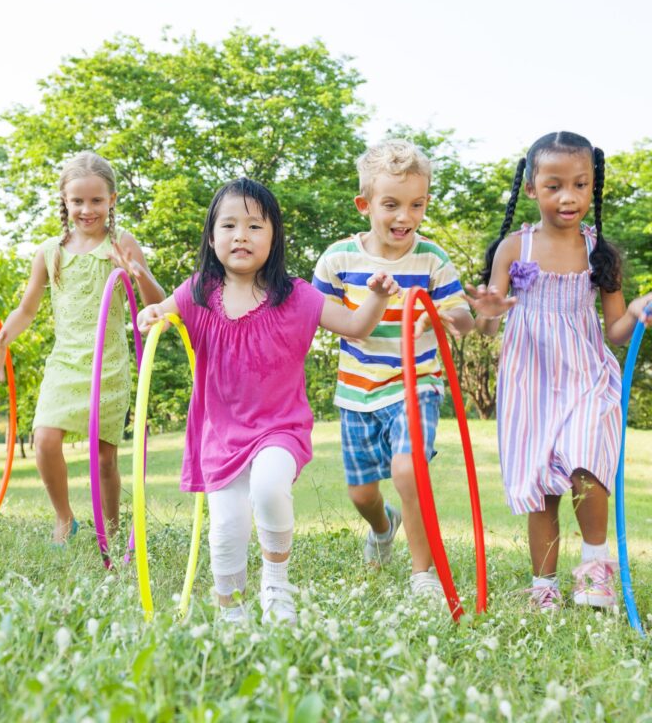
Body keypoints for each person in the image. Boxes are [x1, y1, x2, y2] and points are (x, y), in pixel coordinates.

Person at [136, 177, 398, 625]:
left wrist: (375, 296)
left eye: (255, 226)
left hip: (280, 427)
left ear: (274, 237)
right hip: (220, 435)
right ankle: (231, 613)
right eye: (229, 225)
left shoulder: (294, 296)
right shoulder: (197, 292)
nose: (241, 235)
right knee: (226, 527)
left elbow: (356, 327)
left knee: (267, 486)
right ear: (212, 235)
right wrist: (152, 313)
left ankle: (277, 585)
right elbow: (161, 312)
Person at [466, 131, 652, 610]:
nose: (568, 197)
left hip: (586, 374)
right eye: (554, 186)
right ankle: (544, 586)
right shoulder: (514, 247)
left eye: (580, 184)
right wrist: (489, 309)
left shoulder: (599, 253)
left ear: (593, 188)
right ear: (531, 188)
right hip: (530, 381)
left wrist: (636, 310)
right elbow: (486, 329)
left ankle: (595, 572)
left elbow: (615, 331)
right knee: (540, 487)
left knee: (587, 462)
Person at [313, 140, 474, 601]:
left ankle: (423, 576)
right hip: (357, 391)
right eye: (391, 205)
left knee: (408, 472)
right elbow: (319, 315)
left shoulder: (431, 259)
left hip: (415, 383)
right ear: (366, 205)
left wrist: (450, 316)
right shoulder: (338, 259)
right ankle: (384, 529)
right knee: (362, 495)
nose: (405, 216)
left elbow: (461, 318)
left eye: (416, 204)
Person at [0, 151, 164, 543]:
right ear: (64, 200)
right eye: (78, 201)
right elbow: (27, 308)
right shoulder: (50, 252)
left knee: (104, 457)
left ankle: (112, 531)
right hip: (65, 361)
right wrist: (2, 339)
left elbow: (155, 302)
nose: (87, 209)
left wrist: (138, 272)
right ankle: (64, 518)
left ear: (112, 199)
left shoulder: (121, 242)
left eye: (97, 200)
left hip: (109, 362)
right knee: (45, 439)